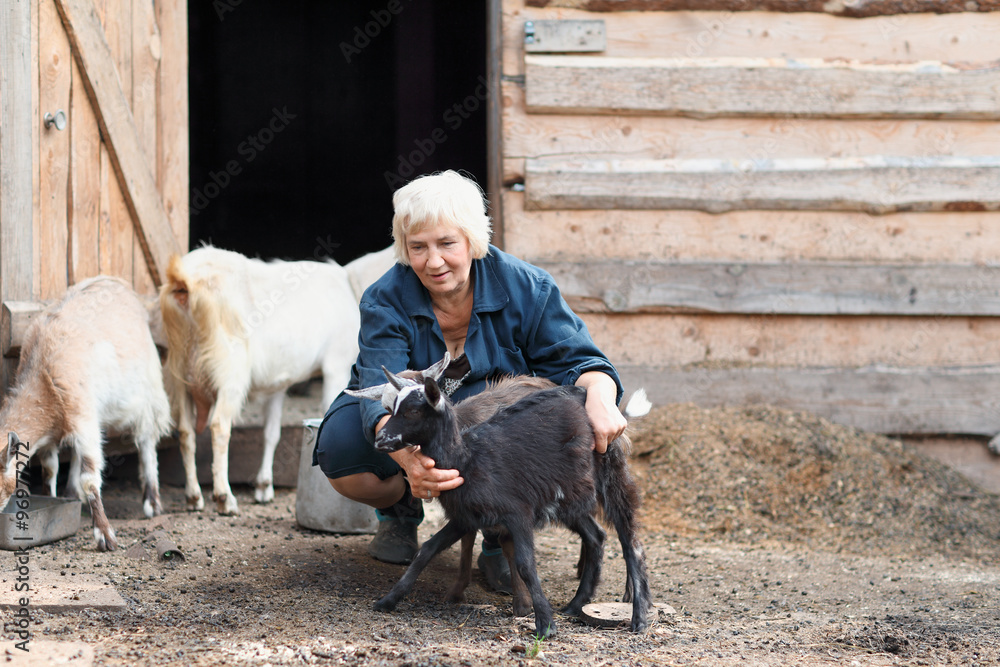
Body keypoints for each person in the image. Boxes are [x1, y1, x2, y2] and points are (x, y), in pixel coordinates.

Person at [312, 170, 627, 594]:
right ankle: (402, 510)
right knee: (344, 450)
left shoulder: (527, 287)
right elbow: (379, 390)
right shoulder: (384, 298)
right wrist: (409, 465)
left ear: (473, 240)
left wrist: (602, 399)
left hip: (487, 425)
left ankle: (498, 534)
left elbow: (583, 362)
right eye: (417, 247)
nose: (433, 261)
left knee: (498, 420)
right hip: (411, 419)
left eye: (446, 244)